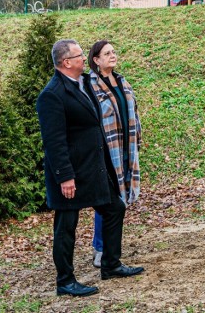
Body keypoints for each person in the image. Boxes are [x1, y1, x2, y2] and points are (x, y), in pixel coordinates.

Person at [36, 39, 144, 298]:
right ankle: (65, 281)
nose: (84, 59)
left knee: (115, 207)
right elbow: (54, 142)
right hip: (70, 173)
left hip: (92, 168)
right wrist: (65, 177)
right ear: (66, 62)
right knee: (66, 226)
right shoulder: (52, 95)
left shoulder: (84, 83)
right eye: (79, 55)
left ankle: (110, 264)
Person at [87, 40, 142, 268]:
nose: (112, 56)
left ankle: (109, 247)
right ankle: (100, 249)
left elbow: (133, 111)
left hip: (125, 149)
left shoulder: (121, 80)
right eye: (106, 53)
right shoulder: (90, 84)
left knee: (118, 199)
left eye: (113, 52)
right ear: (96, 60)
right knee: (107, 201)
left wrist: (137, 139)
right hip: (105, 151)